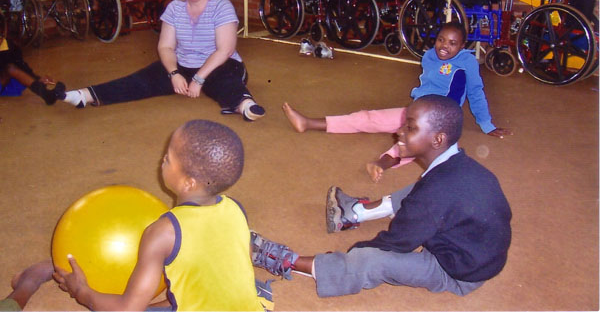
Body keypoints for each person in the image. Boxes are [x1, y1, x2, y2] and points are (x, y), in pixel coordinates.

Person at [251, 95, 512, 298]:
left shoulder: (434, 194)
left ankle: (289, 261)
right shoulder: (460, 167)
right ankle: (356, 212)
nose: (399, 132)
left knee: (373, 260)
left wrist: (358, 250)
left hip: (458, 273)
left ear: (437, 139)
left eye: (410, 127)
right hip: (477, 252)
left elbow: (397, 242)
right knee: (421, 191)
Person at [54, 120, 266, 311]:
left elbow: (128, 310)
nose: (163, 159)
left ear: (188, 183)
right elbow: (234, 278)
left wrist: (81, 291)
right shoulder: (236, 208)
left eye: (169, 158)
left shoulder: (164, 232)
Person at [282, 21, 512, 182]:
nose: (444, 46)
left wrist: (487, 124)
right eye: (441, 40)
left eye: (452, 43)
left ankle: (380, 165)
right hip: (416, 110)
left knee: (409, 145)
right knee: (368, 117)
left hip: (440, 121)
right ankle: (308, 123)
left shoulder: (467, 63)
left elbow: (476, 92)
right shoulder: (429, 56)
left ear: (462, 46)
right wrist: (411, 114)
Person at [58, 0, 265, 121]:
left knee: (222, 81)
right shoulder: (175, 7)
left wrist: (199, 79)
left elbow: (225, 50)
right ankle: (85, 95)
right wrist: (174, 74)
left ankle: (245, 105)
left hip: (221, 64)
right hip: (184, 65)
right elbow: (165, 46)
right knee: (141, 80)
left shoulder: (221, 6)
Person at [0, 35, 64, 105]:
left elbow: (20, 64)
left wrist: (36, 78)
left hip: (5, 81)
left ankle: (44, 92)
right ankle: (46, 95)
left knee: (12, 68)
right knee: (10, 69)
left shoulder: (8, 45)